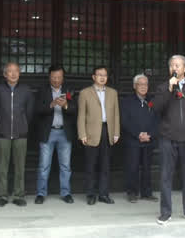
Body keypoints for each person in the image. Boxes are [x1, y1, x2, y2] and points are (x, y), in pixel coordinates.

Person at [152, 55, 185, 225]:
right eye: (172, 65)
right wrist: (169, 89)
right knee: (165, 176)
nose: (174, 68)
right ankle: (165, 212)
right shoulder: (163, 87)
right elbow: (156, 108)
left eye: (177, 65)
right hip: (168, 138)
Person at [77, 66, 120, 205]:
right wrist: (82, 133)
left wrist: (116, 132)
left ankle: (103, 194)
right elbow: (81, 115)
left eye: (105, 75)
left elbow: (116, 114)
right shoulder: (85, 93)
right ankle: (90, 194)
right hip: (91, 132)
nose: (102, 77)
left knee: (105, 165)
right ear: (93, 77)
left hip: (108, 130)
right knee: (91, 165)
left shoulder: (113, 93)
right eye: (99, 75)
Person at [34, 65, 77, 204]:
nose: (56, 80)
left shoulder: (69, 90)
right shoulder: (42, 90)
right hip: (48, 132)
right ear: (49, 77)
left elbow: (75, 109)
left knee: (65, 166)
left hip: (64, 133)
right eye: (54, 77)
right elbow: (37, 110)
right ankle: (41, 193)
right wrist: (51, 105)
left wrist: (65, 106)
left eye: (59, 77)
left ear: (63, 78)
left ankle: (66, 193)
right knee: (44, 166)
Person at [0, 61, 35, 207]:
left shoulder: (26, 90)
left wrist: (23, 124)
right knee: (2, 167)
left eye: (16, 71)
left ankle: (19, 195)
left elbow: (29, 112)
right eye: (10, 71)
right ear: (5, 74)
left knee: (20, 167)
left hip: (20, 133)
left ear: (19, 73)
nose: (13, 74)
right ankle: (2, 196)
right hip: (3, 133)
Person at [120, 74, 158, 203]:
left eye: (145, 84)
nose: (143, 87)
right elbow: (124, 121)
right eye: (140, 84)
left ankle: (147, 193)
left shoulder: (152, 101)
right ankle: (132, 192)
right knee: (132, 167)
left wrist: (150, 135)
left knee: (147, 168)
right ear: (134, 86)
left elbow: (157, 120)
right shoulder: (127, 101)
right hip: (133, 140)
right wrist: (138, 134)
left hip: (148, 140)